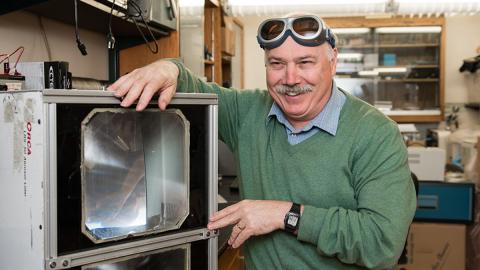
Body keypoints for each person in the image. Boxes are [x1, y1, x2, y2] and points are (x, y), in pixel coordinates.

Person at [109, 14, 416, 269]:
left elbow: (382, 243)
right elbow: (192, 88)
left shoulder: (376, 134)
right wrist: (168, 67)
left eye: (306, 62)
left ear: (332, 62)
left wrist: (286, 214)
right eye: (277, 63)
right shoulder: (247, 112)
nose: (291, 78)